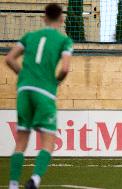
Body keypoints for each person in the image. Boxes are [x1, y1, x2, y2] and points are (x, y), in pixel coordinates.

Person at [5, 3, 73, 189]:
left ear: (43, 18)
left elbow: (9, 58)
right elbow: (65, 68)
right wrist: (55, 81)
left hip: (24, 90)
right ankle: (35, 179)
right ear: (61, 19)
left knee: (21, 140)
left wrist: (24, 75)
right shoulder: (64, 41)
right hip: (45, 91)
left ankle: (12, 185)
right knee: (48, 141)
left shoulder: (29, 36)